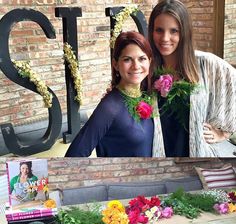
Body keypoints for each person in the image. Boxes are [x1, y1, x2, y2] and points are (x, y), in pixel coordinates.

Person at [148, 0, 236, 157]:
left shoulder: (204, 63)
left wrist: (224, 133)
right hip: (160, 159)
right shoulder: (147, 68)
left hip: (198, 158)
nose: (165, 38)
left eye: (174, 31)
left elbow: (233, 82)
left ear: (185, 32)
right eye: (159, 30)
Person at [65, 31, 155, 157]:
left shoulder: (148, 96)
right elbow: (75, 155)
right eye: (127, 59)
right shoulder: (110, 108)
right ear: (116, 64)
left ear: (149, 62)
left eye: (142, 59)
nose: (136, 66)